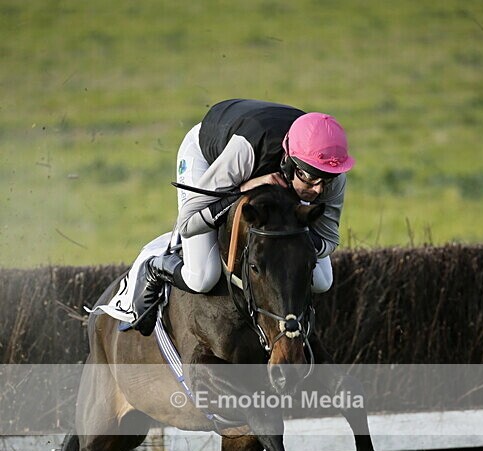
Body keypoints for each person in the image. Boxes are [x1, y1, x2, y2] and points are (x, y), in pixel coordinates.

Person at [131, 99, 355, 335]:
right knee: (202, 276)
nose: (319, 190)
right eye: (311, 179)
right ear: (290, 164)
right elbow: (188, 223)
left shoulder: (333, 175)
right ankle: (156, 267)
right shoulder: (246, 152)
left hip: (261, 138)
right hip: (211, 155)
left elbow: (328, 240)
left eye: (326, 180)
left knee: (322, 280)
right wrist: (241, 189)